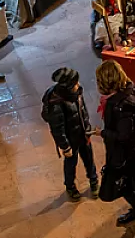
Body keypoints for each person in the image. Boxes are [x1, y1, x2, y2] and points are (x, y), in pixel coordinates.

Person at [96, 60, 135, 238]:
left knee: (127, 189)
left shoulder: (122, 106)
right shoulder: (125, 95)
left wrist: (103, 133)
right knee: (130, 186)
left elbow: (124, 136)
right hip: (124, 152)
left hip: (124, 155)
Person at [41, 66, 99, 200]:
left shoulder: (76, 92)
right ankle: (70, 186)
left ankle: (94, 180)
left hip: (83, 134)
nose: (78, 85)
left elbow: (83, 111)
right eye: (75, 83)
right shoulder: (55, 103)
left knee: (89, 159)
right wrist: (65, 146)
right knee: (70, 164)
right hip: (70, 140)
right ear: (67, 86)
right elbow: (57, 128)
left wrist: (88, 128)